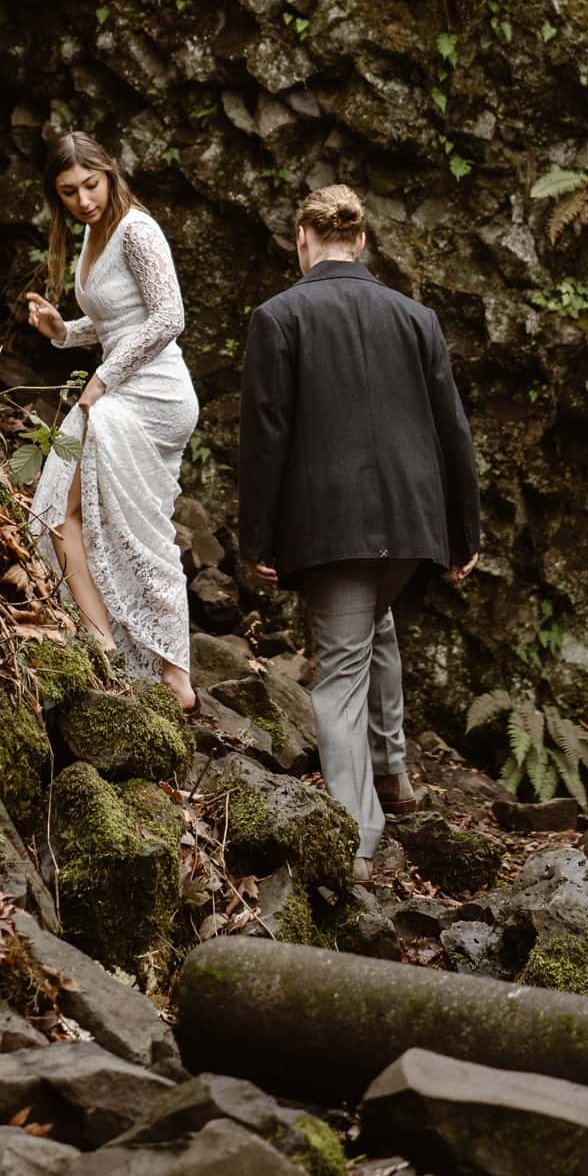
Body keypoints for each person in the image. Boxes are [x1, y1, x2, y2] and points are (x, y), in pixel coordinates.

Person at [238, 184, 480, 882]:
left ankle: (354, 841)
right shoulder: (416, 317)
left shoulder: (279, 316)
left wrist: (257, 539)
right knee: (376, 630)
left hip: (333, 526)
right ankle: (392, 773)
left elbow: (266, 437)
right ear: (363, 241)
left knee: (337, 675)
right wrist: (464, 530)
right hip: (412, 524)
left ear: (303, 239)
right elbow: (451, 430)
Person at [24, 132, 199, 708]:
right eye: (69, 192)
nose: (82, 200)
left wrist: (101, 381)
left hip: (153, 395)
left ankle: (174, 676)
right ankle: (107, 648)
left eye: (90, 185)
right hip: (120, 388)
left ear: (110, 173)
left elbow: (168, 315)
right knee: (59, 511)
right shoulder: (94, 238)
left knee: (129, 527)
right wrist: (64, 331)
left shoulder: (137, 230)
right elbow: (118, 321)